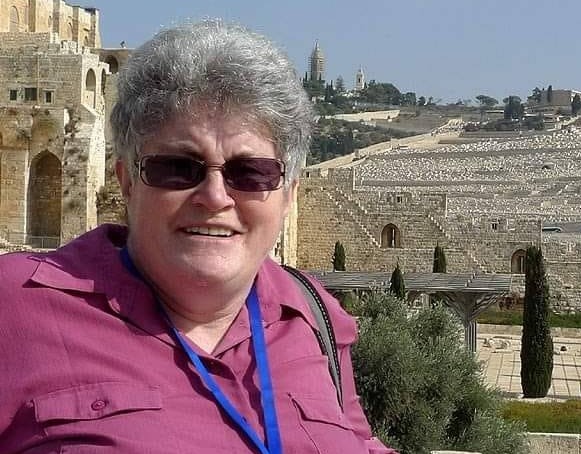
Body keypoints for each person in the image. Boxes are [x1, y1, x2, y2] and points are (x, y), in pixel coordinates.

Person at [0, 21, 393, 454]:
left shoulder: (313, 315)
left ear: (289, 194)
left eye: (250, 173)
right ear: (127, 181)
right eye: (177, 168)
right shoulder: (15, 305)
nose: (215, 197)